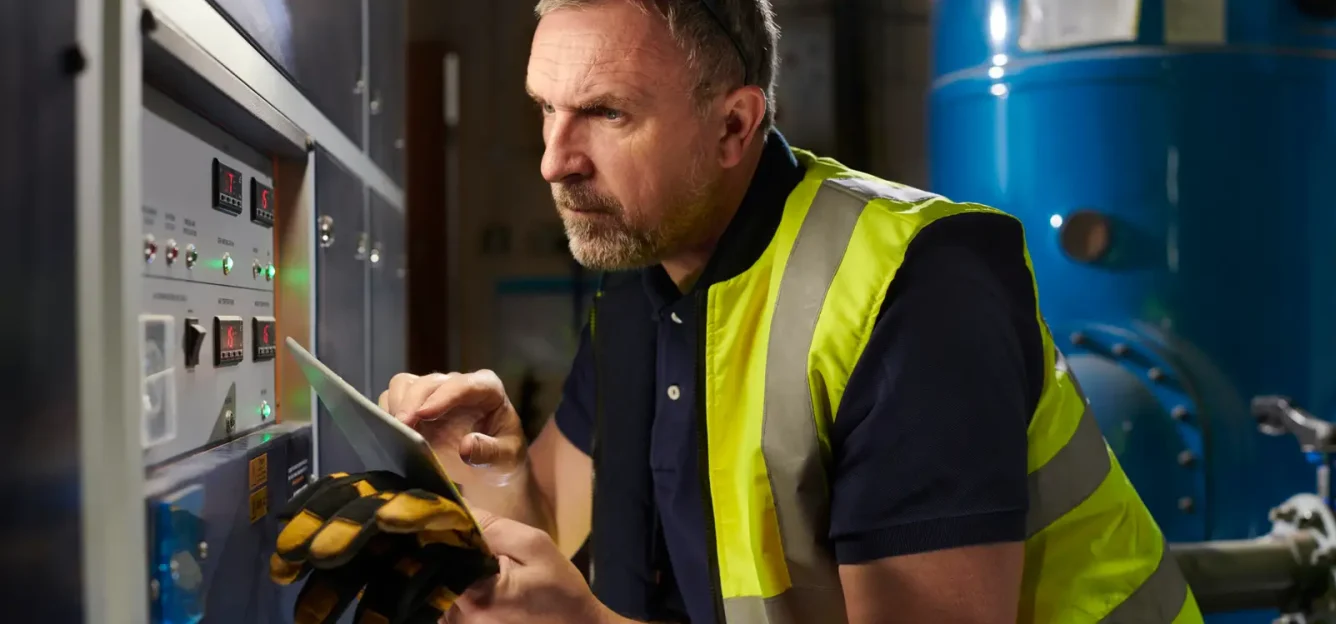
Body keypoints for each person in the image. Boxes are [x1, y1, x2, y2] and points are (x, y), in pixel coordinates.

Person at [379, 0, 1202, 622]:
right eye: (545, 109)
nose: (556, 161)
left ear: (734, 124)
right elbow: (551, 530)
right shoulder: (641, 278)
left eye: (606, 113)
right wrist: (494, 466)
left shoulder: (917, 286)